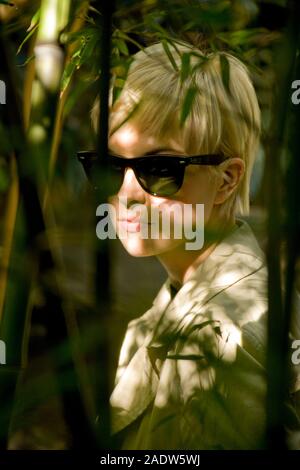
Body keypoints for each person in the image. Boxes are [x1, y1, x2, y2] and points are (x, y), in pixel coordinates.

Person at [83, 41, 300, 449]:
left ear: (227, 179)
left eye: (161, 169)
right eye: (111, 166)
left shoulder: (221, 339)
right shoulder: (185, 293)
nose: (127, 195)